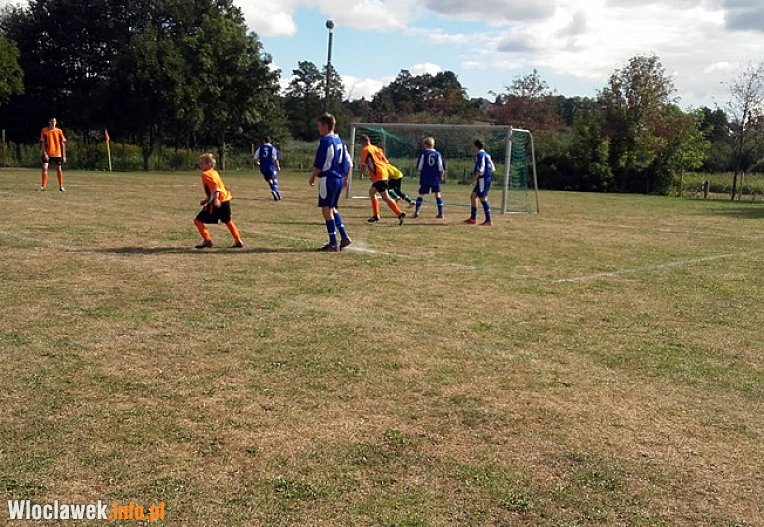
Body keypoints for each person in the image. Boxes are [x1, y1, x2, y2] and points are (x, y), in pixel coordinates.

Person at [309, 113, 352, 252]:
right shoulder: (340, 141)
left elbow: (319, 164)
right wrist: (346, 178)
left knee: (326, 210)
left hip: (328, 178)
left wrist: (312, 176)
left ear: (325, 126)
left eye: (319, 126)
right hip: (338, 178)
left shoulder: (325, 141)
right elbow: (349, 162)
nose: (318, 129)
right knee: (332, 209)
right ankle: (344, 237)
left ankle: (333, 243)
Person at [193, 153, 244, 249]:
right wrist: (206, 199)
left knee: (198, 221)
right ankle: (238, 240)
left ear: (209, 164)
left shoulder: (206, 174)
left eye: (202, 163)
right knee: (228, 221)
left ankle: (207, 240)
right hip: (225, 199)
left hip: (217, 201)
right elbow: (215, 188)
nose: (200, 164)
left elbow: (215, 188)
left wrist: (215, 199)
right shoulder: (214, 172)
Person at [358, 135, 405, 225]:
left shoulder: (366, 149)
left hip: (378, 175)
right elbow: (386, 161)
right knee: (372, 192)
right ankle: (376, 215)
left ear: (363, 142)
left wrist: (361, 174)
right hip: (384, 173)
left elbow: (363, 164)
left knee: (385, 197)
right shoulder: (377, 148)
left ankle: (399, 213)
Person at [414, 136, 446, 219]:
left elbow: (419, 167)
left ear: (425, 145)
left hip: (425, 177)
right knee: (438, 194)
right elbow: (441, 168)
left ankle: (417, 211)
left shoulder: (424, 154)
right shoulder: (438, 154)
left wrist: (421, 171)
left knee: (421, 194)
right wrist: (441, 176)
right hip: (435, 178)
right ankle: (441, 213)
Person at [464, 139, 494, 226]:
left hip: (482, 179)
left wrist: (473, 179)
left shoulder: (480, 155)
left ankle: (488, 220)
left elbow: (480, 169)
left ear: (476, 146)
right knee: (473, 196)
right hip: (485, 178)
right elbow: (492, 168)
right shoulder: (487, 155)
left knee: (483, 198)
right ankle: (473, 218)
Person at [39, 117, 67, 192]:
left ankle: (61, 186)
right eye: (51, 121)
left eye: (54, 121)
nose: (53, 123)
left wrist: (64, 156)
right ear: (49, 122)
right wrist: (45, 153)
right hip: (48, 153)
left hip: (57, 153)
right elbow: (43, 143)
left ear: (56, 122)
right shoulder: (44, 131)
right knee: (44, 168)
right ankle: (43, 186)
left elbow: (63, 143)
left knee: (59, 169)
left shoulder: (59, 131)